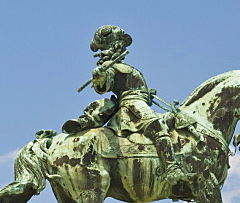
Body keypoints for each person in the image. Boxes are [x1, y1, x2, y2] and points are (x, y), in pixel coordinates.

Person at [64, 25, 190, 182]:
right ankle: (172, 168)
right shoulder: (108, 66)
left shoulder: (125, 66)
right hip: (132, 107)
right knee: (158, 128)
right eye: (119, 42)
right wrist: (99, 77)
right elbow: (103, 85)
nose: (122, 45)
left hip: (141, 103)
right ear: (112, 44)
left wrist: (146, 93)